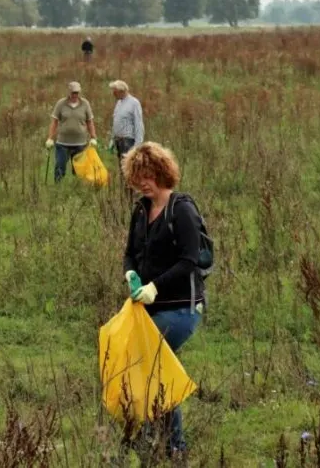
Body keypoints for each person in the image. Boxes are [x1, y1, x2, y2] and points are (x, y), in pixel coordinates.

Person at [121, 142, 206, 462]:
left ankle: (168, 443)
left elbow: (189, 260)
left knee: (150, 362)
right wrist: (131, 274)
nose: (145, 182)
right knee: (155, 370)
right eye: (139, 176)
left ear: (163, 173)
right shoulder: (141, 210)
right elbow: (130, 252)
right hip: (147, 308)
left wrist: (155, 286)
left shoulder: (181, 209)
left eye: (151, 175)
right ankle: (168, 444)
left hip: (182, 308)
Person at [46, 81, 98, 182]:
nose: (75, 95)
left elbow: (90, 122)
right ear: (69, 92)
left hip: (80, 143)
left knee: (79, 170)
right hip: (62, 143)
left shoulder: (85, 104)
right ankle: (58, 187)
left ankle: (78, 188)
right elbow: (54, 122)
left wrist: (93, 137)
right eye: (73, 93)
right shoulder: (61, 104)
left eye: (77, 93)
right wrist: (50, 138)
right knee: (60, 167)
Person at [107, 80, 144, 165]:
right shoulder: (119, 103)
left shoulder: (134, 103)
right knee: (122, 167)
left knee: (128, 168)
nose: (113, 94)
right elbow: (116, 122)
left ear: (121, 91)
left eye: (115, 92)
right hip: (118, 141)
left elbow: (139, 125)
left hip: (128, 142)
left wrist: (137, 146)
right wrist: (112, 140)